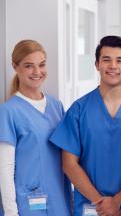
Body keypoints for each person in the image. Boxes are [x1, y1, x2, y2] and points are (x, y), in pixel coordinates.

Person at [49, 36, 121, 216]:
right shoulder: (78, 110)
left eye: (120, 60)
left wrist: (117, 200)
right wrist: (102, 204)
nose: (113, 65)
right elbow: (69, 164)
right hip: (92, 206)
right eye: (106, 59)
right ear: (97, 64)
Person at [0, 40, 71, 216]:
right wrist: (11, 213)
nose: (37, 72)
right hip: (27, 205)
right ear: (15, 67)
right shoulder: (8, 111)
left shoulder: (56, 106)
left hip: (59, 200)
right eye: (29, 66)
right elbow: (5, 168)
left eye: (42, 64)